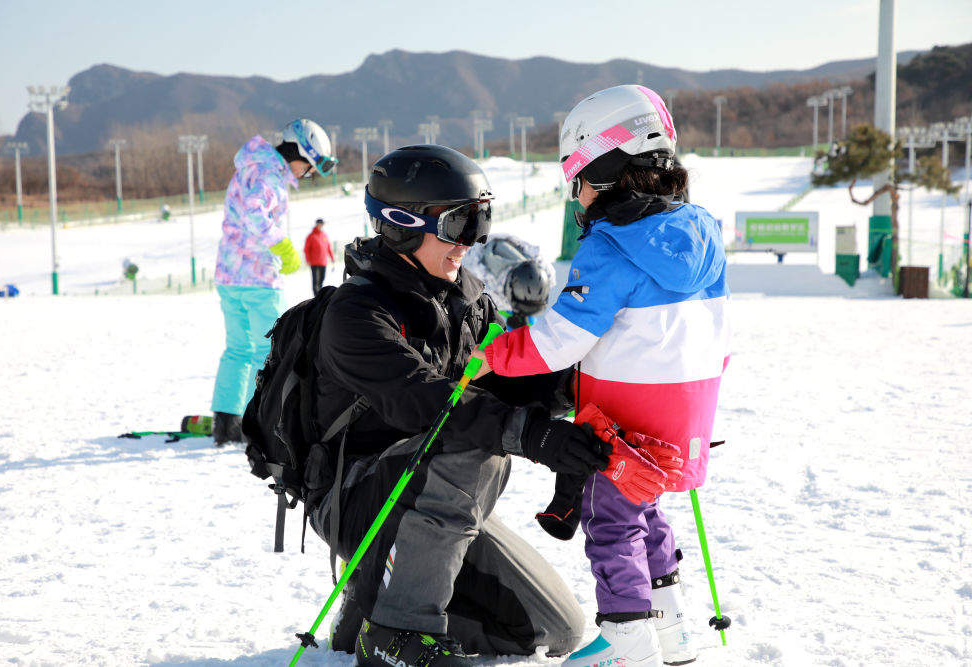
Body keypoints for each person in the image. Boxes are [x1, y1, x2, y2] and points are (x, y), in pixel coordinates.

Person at [307, 145, 616, 666]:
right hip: (361, 494)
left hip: (435, 494)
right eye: (457, 224)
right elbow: (431, 407)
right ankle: (397, 635)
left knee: (555, 629)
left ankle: (375, 605)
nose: (470, 243)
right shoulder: (357, 315)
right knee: (478, 446)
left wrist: (577, 385)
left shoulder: (467, 299)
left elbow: (503, 385)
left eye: (481, 221)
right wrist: (536, 437)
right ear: (400, 224)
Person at [474, 85, 730, 666]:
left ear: (613, 165)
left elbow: (560, 340)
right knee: (646, 510)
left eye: (579, 178)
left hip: (627, 417)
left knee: (610, 520)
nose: (576, 195)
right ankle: (672, 628)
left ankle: (626, 637)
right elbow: (720, 329)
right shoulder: (704, 232)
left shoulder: (611, 245)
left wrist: (494, 354)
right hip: (685, 414)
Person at [210, 118, 337, 447]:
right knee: (269, 352)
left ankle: (226, 423)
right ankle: (261, 423)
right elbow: (256, 212)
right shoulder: (269, 175)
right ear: (297, 152)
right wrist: (282, 245)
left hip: (230, 275)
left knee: (237, 349)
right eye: (307, 166)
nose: (305, 174)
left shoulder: (253, 167)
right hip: (259, 278)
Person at [462, 232, 556, 329]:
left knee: (529, 326)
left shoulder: (545, 272)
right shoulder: (478, 276)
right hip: (485, 287)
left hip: (507, 287)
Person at [304, 217, 335, 296]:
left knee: (321, 280)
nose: (321, 225)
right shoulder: (311, 236)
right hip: (314, 262)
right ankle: (316, 298)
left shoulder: (324, 235)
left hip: (323, 262)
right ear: (317, 224)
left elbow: (328, 248)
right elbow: (306, 249)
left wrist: (332, 258)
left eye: (322, 224)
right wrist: (307, 259)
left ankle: (320, 296)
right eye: (320, 224)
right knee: (315, 282)